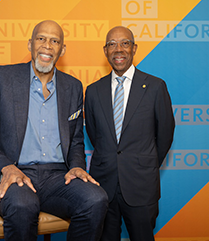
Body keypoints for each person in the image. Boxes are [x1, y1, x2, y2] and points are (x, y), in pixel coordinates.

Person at [0, 20, 108, 241]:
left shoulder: (73, 86)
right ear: (30, 44)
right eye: (41, 38)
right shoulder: (3, 78)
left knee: (95, 199)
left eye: (55, 41)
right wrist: (6, 168)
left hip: (57, 177)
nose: (47, 45)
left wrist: (76, 166)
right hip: (17, 174)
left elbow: (76, 140)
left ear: (62, 50)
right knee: (23, 204)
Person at [84, 26, 175, 241]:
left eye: (124, 43)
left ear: (134, 48)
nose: (119, 49)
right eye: (112, 44)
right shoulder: (93, 90)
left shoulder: (155, 87)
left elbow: (165, 134)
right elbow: (95, 134)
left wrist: (145, 163)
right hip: (103, 185)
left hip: (141, 185)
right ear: (105, 50)